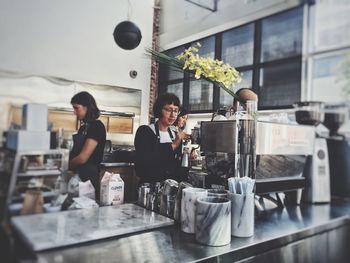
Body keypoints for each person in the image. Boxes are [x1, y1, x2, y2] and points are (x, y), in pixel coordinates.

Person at [134, 93, 189, 183]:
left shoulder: (175, 135)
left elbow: (176, 165)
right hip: (150, 186)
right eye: (169, 110)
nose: (173, 115)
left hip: (170, 186)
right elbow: (145, 162)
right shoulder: (145, 131)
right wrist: (174, 144)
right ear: (159, 110)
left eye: (176, 111)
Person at [69, 91, 106, 199]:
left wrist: (65, 166)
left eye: (76, 108)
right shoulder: (84, 127)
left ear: (86, 107)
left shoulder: (96, 126)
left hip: (88, 175)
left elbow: (82, 158)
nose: (74, 112)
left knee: (87, 210)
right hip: (79, 173)